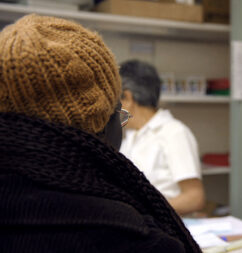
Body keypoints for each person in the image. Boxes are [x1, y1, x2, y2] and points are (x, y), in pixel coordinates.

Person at [0, 14, 201, 253]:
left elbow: (194, 197)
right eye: (118, 112)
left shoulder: (173, 132)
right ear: (101, 119)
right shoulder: (128, 235)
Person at [119, 60, 205, 215]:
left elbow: (194, 198)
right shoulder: (130, 137)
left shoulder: (174, 133)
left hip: (163, 229)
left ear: (128, 98)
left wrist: (143, 209)